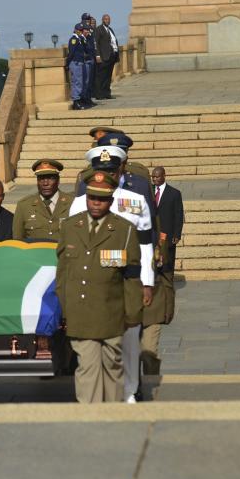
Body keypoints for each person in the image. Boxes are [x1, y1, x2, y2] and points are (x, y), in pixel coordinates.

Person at [69, 145, 154, 403]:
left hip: (127, 281)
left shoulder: (135, 202)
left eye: (112, 170)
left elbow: (145, 244)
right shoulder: (78, 204)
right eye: (101, 170)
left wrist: (147, 283)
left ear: (121, 170)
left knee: (128, 338)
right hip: (92, 282)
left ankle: (129, 390)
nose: (108, 175)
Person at [56, 170, 144, 403]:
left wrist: (132, 314)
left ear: (111, 200)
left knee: (112, 366)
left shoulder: (124, 230)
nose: (96, 203)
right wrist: (66, 309)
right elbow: (63, 273)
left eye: (102, 199)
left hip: (111, 314)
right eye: (92, 197)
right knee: (87, 367)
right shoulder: (70, 227)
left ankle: (112, 416)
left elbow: (132, 277)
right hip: (81, 313)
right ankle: (90, 418)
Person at [143, 166, 184, 377]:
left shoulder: (174, 193)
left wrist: (177, 234)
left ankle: (167, 305)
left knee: (166, 273)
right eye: (153, 176)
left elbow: (179, 214)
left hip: (167, 240)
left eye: (158, 176)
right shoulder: (148, 192)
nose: (155, 179)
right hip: (153, 238)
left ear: (165, 176)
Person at [13, 159, 75, 242]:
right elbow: (17, 241)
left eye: (50, 178)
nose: (45, 183)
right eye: (41, 178)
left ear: (58, 180)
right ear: (37, 181)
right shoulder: (24, 206)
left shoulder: (72, 203)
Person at [94, 14, 120, 100]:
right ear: (102, 20)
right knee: (101, 76)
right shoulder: (99, 29)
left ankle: (107, 93)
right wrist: (97, 55)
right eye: (106, 19)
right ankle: (99, 94)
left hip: (111, 56)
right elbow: (96, 43)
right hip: (103, 57)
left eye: (108, 19)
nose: (107, 20)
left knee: (108, 76)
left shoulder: (110, 29)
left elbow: (113, 42)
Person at [67, 23, 89, 110]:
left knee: (79, 82)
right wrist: (67, 63)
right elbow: (71, 53)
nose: (81, 31)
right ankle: (76, 102)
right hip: (76, 63)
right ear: (75, 30)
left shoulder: (79, 39)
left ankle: (78, 100)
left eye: (81, 30)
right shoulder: (74, 40)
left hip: (79, 62)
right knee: (77, 82)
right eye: (79, 30)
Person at [82, 16, 97, 106]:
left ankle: (89, 98)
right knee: (85, 81)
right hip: (86, 60)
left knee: (91, 80)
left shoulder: (90, 31)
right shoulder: (81, 31)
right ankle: (85, 99)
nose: (88, 21)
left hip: (92, 58)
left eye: (89, 20)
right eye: (86, 20)